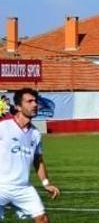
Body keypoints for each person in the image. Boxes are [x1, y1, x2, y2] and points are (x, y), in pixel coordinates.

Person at [0, 88, 61, 223]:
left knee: (43, 219)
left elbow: (38, 160)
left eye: (35, 101)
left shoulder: (35, 133)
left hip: (23, 188)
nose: (35, 105)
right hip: (1, 186)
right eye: (29, 101)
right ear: (18, 107)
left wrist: (46, 183)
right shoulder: (3, 127)